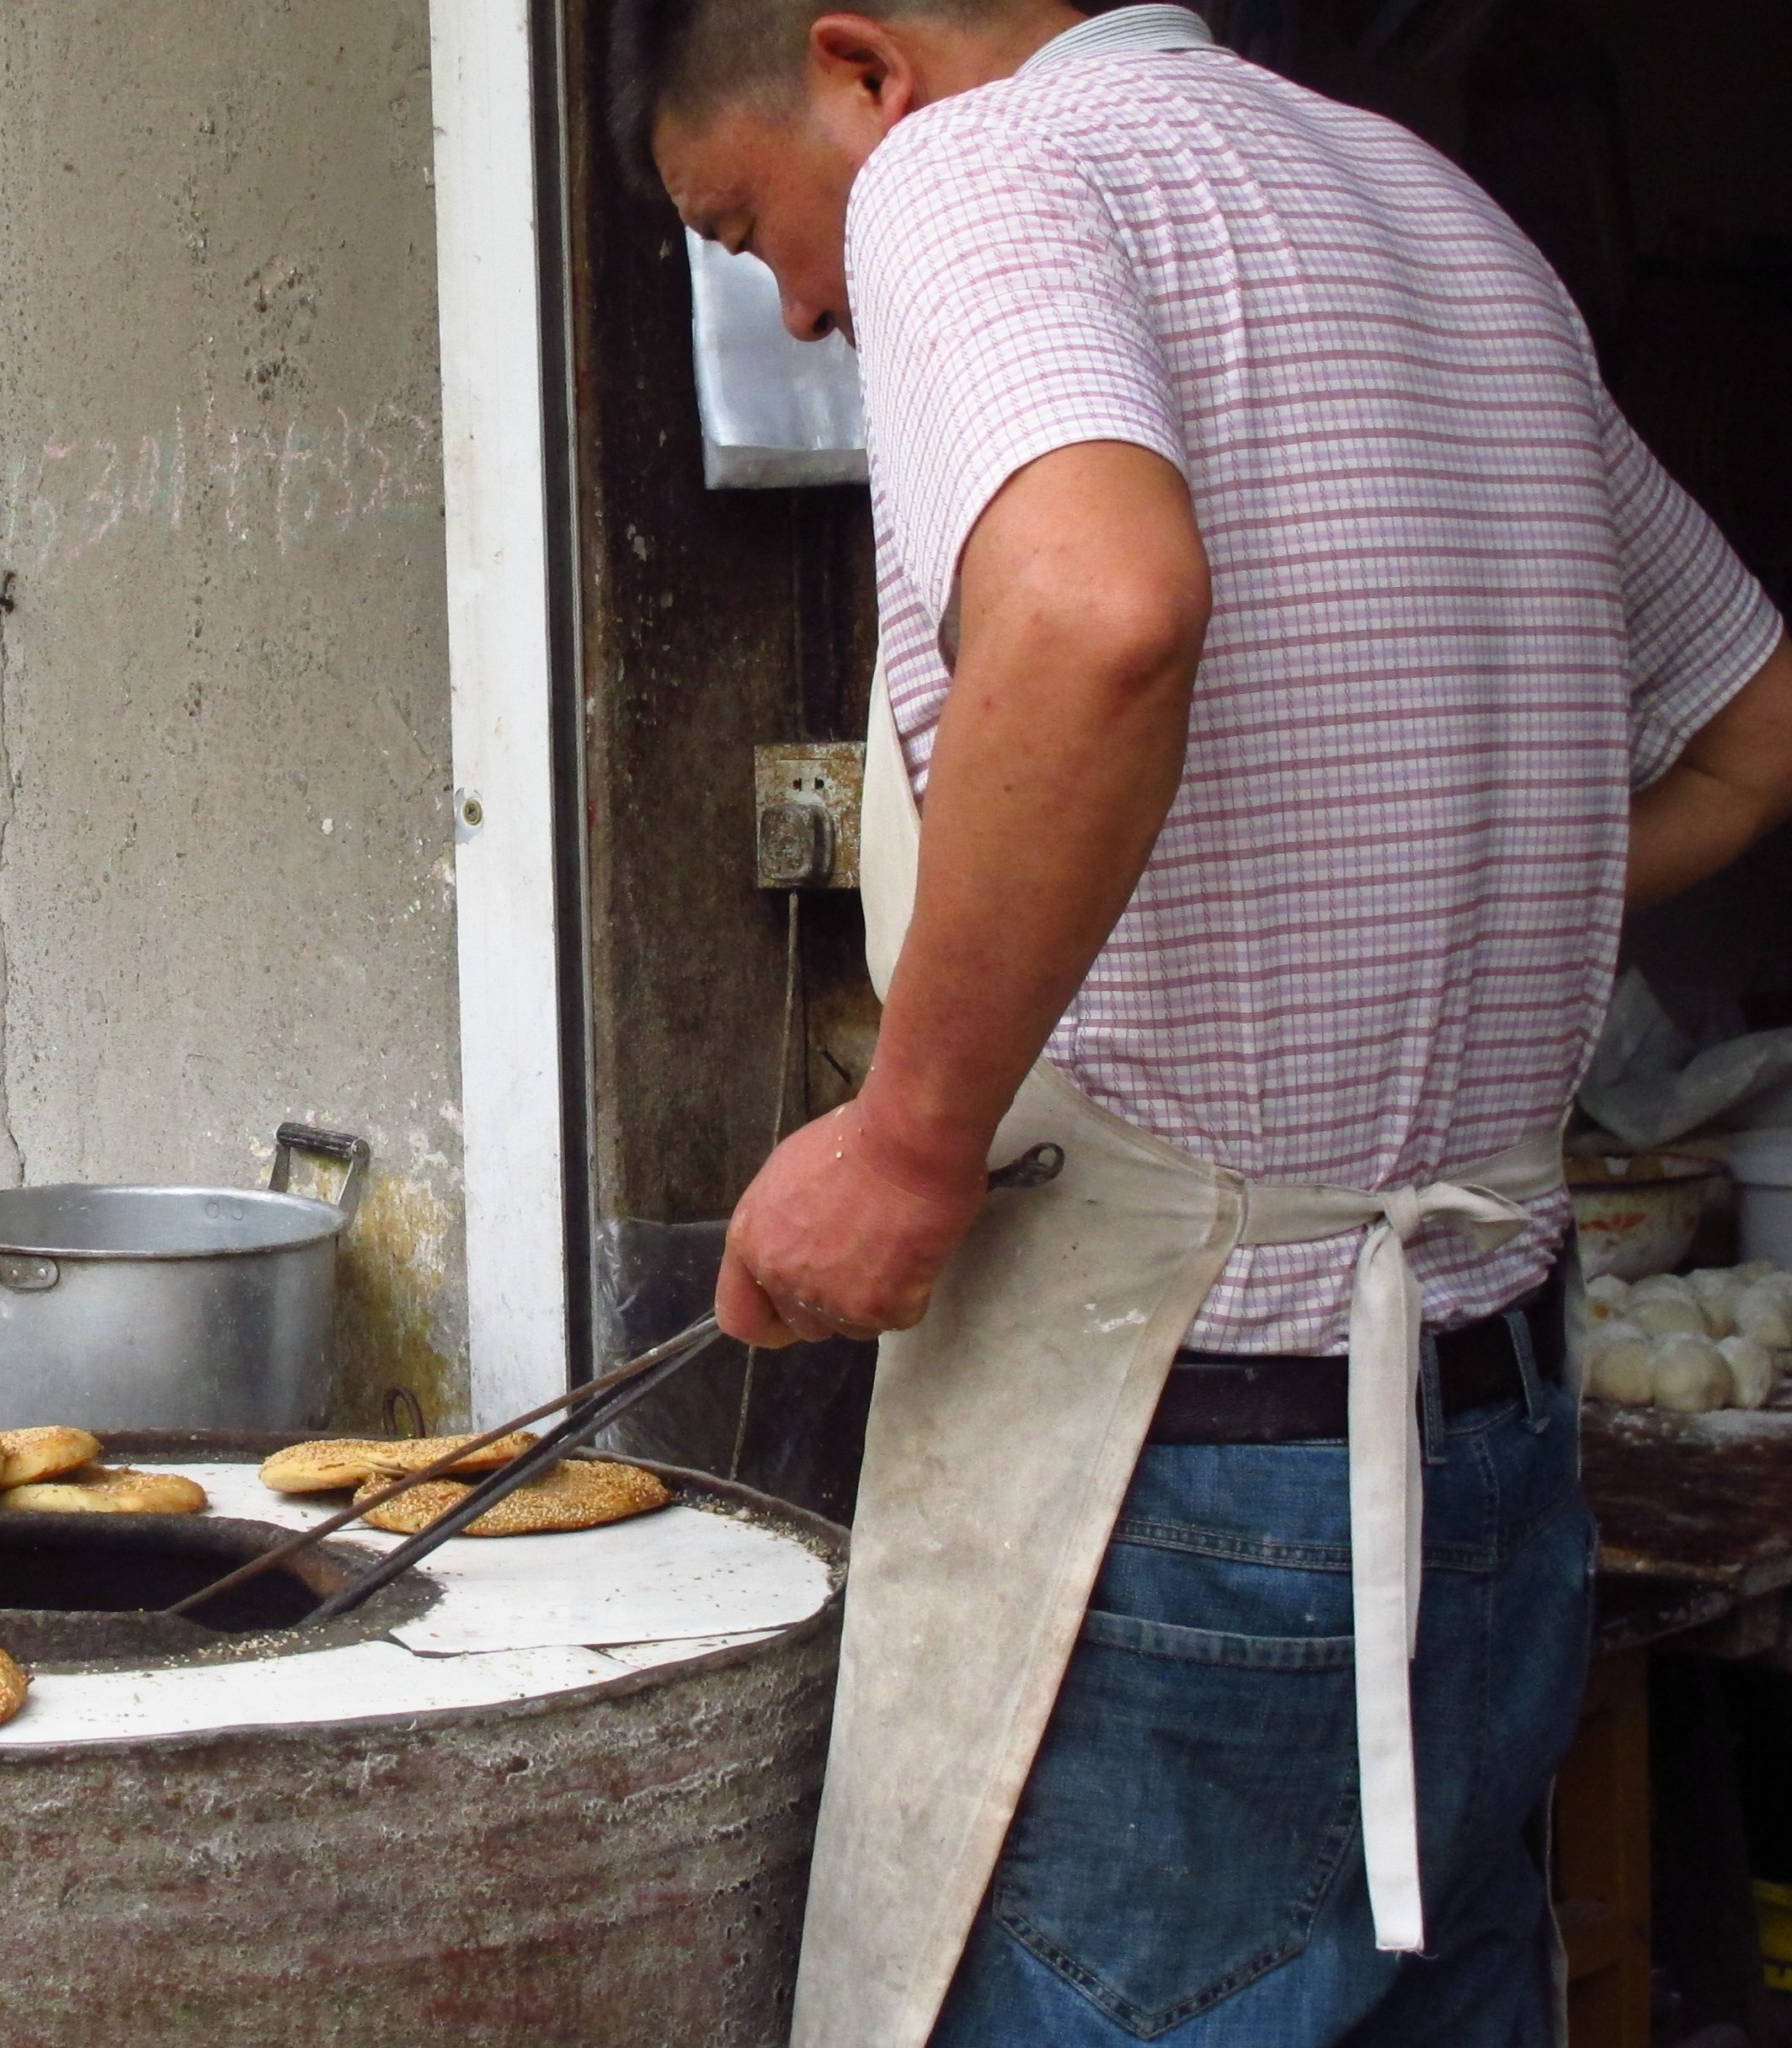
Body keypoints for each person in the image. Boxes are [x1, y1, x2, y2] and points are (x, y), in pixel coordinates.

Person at [607, 3, 1792, 2043]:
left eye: (746, 230)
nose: (803, 305)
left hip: (1200, 1472)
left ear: (860, 70)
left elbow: (1094, 610)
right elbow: (1757, 736)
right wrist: (1446, 898)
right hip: (1489, 1440)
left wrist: (905, 1135)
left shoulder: (974, 168)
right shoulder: (1442, 214)